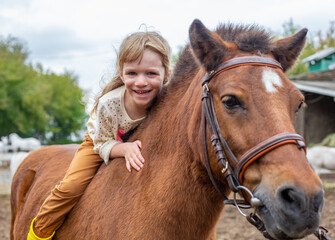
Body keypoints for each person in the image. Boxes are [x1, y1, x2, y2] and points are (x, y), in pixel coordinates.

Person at [27, 30, 171, 240]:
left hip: (137, 144)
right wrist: (124, 148)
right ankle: (39, 232)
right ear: (121, 74)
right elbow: (102, 142)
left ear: (166, 75)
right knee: (71, 186)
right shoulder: (109, 104)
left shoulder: (167, 101)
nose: (141, 82)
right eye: (132, 73)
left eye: (151, 73)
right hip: (100, 140)